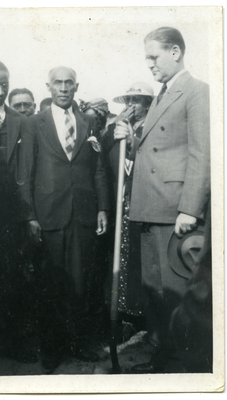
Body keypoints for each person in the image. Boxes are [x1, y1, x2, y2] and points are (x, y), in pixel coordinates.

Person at [114, 27, 210, 373]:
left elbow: (202, 153)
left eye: (153, 57)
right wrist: (133, 138)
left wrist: (189, 208)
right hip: (148, 208)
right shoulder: (162, 94)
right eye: (146, 58)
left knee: (175, 294)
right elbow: (159, 152)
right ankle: (165, 356)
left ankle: (184, 365)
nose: (149, 65)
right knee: (154, 290)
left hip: (173, 210)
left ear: (175, 52)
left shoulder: (196, 91)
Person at [18, 66, 109, 370]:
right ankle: (52, 350)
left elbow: (96, 169)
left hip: (82, 214)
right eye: (58, 83)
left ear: (76, 86)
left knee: (81, 285)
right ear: (48, 87)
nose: (64, 87)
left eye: (69, 82)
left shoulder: (88, 122)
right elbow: (26, 171)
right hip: (49, 215)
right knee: (51, 285)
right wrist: (30, 216)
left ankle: (77, 343)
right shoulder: (34, 123)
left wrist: (102, 208)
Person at [0, 60, 35, 364]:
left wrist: (26, 214)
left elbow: (25, 169)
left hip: (10, 216)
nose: (0, 92)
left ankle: (9, 344)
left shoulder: (19, 121)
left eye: (5, 85)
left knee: (10, 278)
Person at [101, 83, 153, 340]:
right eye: (129, 99)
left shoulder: (151, 127)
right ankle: (122, 315)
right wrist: (115, 131)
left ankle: (141, 315)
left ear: (148, 104)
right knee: (119, 257)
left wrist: (133, 139)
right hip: (121, 201)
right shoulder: (116, 127)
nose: (132, 104)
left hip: (143, 202)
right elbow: (106, 157)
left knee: (139, 259)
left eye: (138, 100)